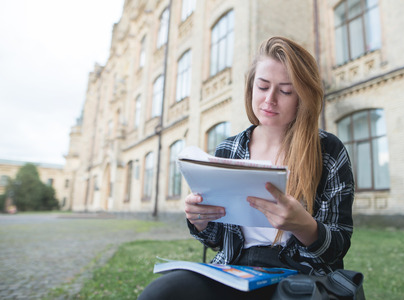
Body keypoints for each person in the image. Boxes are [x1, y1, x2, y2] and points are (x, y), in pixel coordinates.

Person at [138, 36, 354, 300]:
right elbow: (216, 238)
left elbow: (338, 246)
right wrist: (200, 221)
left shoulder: (327, 151)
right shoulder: (228, 150)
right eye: (262, 87)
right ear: (251, 86)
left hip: (302, 274)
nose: (269, 100)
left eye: (285, 91)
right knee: (161, 293)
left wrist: (304, 226)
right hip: (234, 268)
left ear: (302, 96)